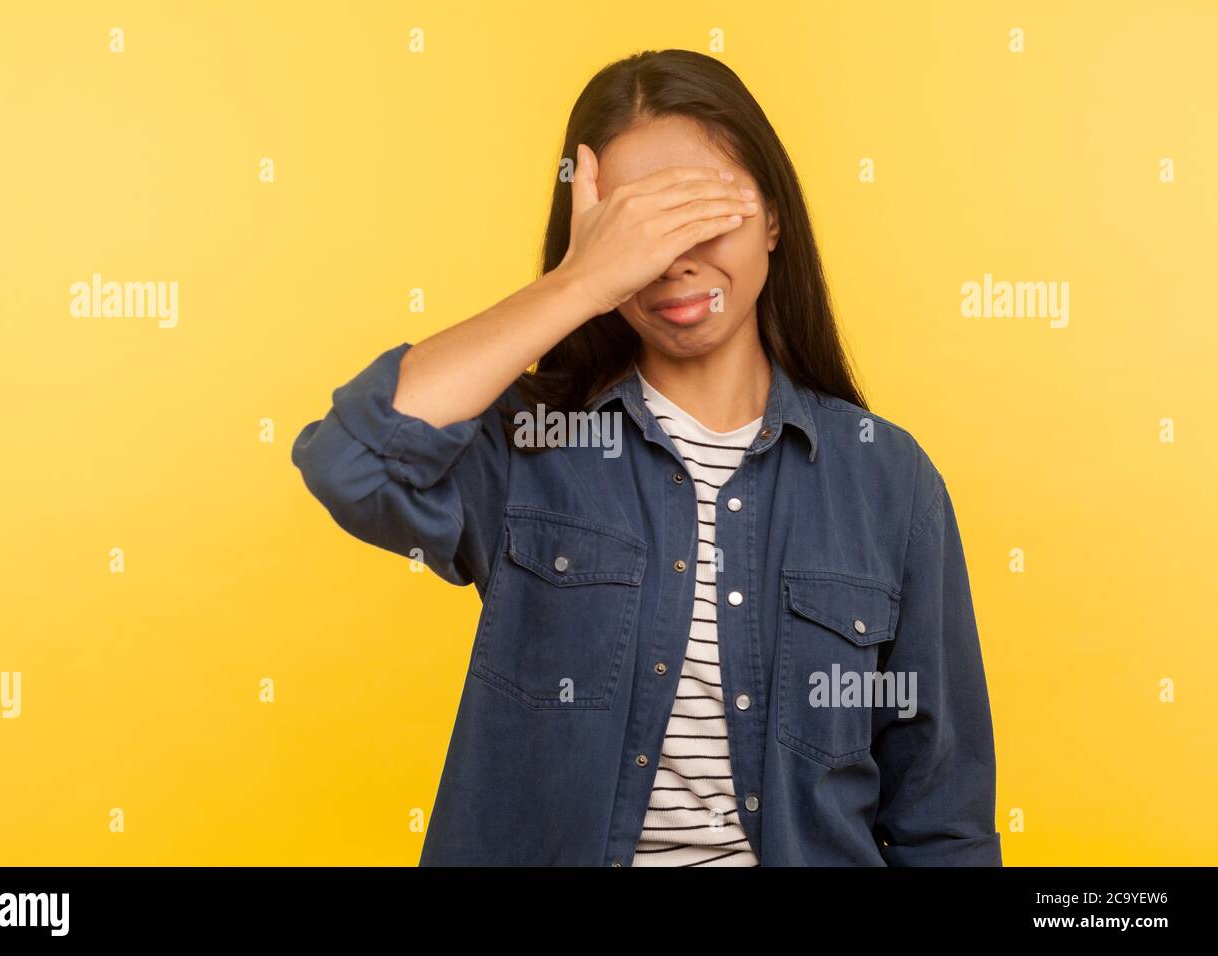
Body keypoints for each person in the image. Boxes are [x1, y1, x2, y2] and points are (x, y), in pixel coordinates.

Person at [291, 49, 1002, 866]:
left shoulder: (889, 481)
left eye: (701, 212)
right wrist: (577, 284)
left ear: (773, 217)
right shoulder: (533, 444)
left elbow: (942, 819)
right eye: (634, 229)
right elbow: (351, 459)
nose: (672, 259)